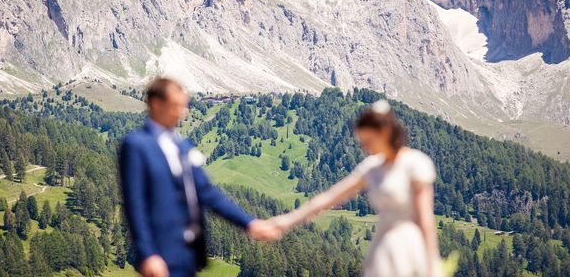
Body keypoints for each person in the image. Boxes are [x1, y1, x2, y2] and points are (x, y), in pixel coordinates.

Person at [119, 77, 280, 277]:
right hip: (160, 256)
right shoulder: (136, 145)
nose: (182, 112)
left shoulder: (182, 146)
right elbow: (135, 204)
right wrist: (148, 253)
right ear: (156, 104)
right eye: (176, 105)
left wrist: (249, 223)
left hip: (189, 255)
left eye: (184, 106)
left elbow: (209, 194)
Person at [270, 99, 443, 277]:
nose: (365, 147)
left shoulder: (415, 163)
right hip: (383, 245)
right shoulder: (372, 166)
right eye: (362, 142)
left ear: (385, 132)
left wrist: (432, 263)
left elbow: (425, 217)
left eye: (368, 140)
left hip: (410, 244)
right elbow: (329, 198)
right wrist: (286, 221)